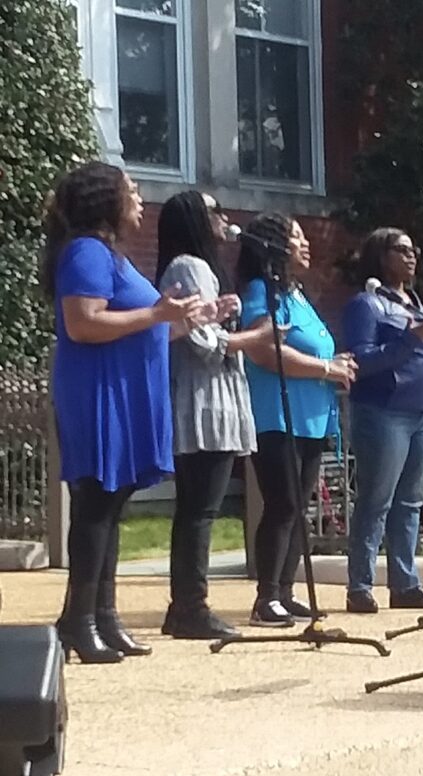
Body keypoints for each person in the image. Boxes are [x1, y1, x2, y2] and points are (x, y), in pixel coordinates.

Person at [42, 161, 205, 663]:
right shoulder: (86, 251)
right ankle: (79, 621)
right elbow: (84, 323)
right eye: (130, 190)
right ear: (104, 201)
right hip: (98, 393)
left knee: (110, 508)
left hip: (123, 390)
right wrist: (157, 313)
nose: (138, 199)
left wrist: (187, 319)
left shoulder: (111, 254)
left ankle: (104, 617)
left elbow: (142, 326)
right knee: (95, 506)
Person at [155, 191, 274, 639]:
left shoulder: (199, 268)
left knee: (198, 508)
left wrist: (225, 314)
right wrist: (258, 337)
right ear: (194, 220)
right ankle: (190, 606)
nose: (223, 218)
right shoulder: (189, 266)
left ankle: (186, 605)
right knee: (199, 510)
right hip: (204, 402)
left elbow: (206, 330)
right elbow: (204, 345)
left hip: (213, 399)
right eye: (213, 211)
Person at [238, 212, 357, 627]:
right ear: (274, 244)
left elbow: (311, 346)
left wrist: (335, 363)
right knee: (282, 504)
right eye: (297, 237)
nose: (306, 244)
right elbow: (263, 350)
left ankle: (285, 592)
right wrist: (326, 368)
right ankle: (266, 597)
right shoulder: (262, 290)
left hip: (311, 417)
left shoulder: (297, 294)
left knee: (297, 507)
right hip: (277, 415)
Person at [342, 227, 423, 614]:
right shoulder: (367, 304)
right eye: (403, 250)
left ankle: (406, 584)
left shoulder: (414, 305)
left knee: (411, 502)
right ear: (381, 255)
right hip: (383, 412)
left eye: (415, 250)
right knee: (376, 500)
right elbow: (362, 361)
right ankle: (360, 587)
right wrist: (414, 337)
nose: (412, 256)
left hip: (422, 413)